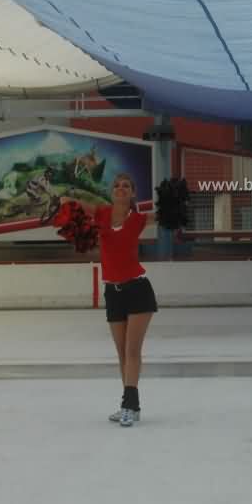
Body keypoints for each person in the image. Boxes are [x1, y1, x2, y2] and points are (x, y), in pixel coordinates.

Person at [65, 173, 157, 426]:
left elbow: (165, 217)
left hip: (137, 289)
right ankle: (131, 405)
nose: (120, 188)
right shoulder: (101, 214)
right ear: (111, 191)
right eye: (116, 185)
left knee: (132, 350)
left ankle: (129, 405)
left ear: (133, 193)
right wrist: (63, 198)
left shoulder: (138, 219)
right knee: (121, 353)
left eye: (126, 186)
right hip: (112, 292)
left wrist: (177, 206)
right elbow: (76, 204)